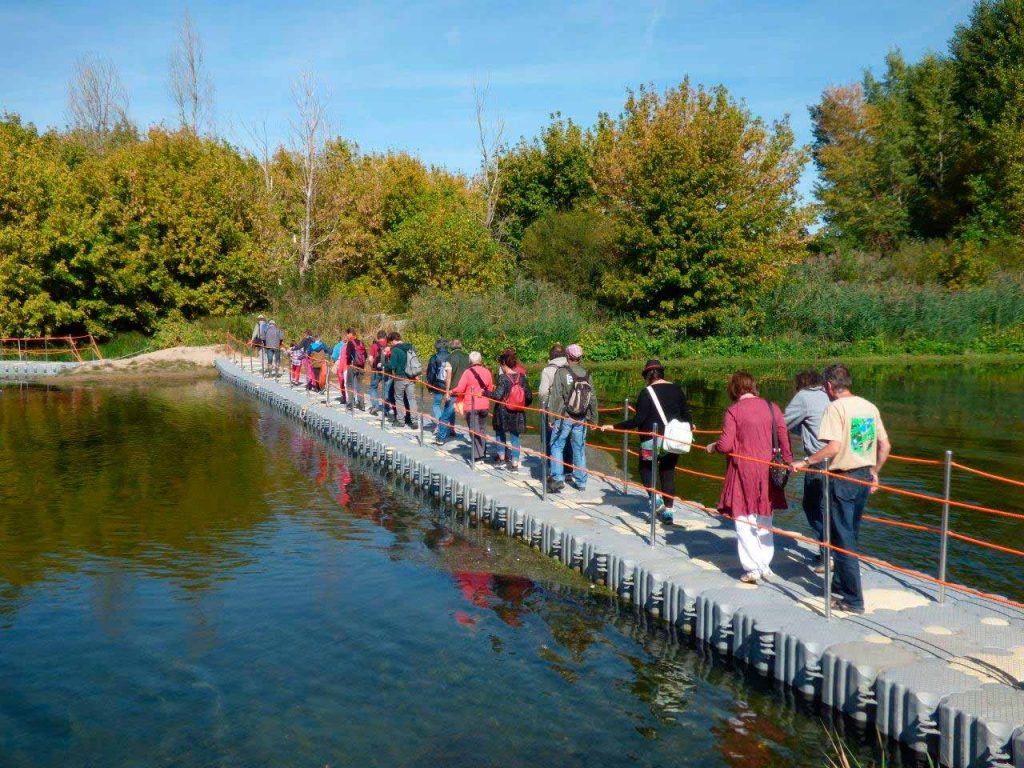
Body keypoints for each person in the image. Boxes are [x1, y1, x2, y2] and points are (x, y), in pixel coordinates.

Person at [792, 363, 890, 614]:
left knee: (842, 540)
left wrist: (805, 461)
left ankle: (853, 600)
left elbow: (833, 447)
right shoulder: (868, 406)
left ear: (828, 386)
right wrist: (875, 472)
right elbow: (884, 445)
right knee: (850, 533)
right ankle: (838, 584)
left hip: (842, 478)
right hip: (863, 477)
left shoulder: (835, 408)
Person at [705, 371, 792, 584]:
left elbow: (725, 445)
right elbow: (784, 439)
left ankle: (752, 568)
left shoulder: (733, 411)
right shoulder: (773, 408)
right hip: (769, 470)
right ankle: (765, 565)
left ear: (734, 389)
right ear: (753, 386)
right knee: (765, 518)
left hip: (742, 470)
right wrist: (789, 462)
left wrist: (713, 446)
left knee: (744, 519)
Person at [600, 359, 692, 523]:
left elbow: (638, 420)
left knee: (645, 468)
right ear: (662, 373)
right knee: (668, 473)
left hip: (651, 440)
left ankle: (655, 499)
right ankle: (669, 513)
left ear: (648, 376)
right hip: (673, 440)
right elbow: (686, 415)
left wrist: (613, 426)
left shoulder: (646, 392)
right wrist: (691, 427)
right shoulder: (677, 389)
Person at [784, 369, 831, 567]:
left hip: (818, 459)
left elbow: (782, 422)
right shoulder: (829, 395)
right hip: (841, 460)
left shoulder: (804, 396)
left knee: (812, 506)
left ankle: (828, 550)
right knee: (829, 508)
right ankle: (830, 551)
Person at [547, 344, 597, 493]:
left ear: (567, 356)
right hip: (581, 418)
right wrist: (594, 419)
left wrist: (551, 416)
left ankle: (557, 478)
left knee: (557, 445)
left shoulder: (561, 372)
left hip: (564, 416)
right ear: (580, 357)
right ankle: (581, 482)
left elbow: (556, 396)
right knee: (579, 448)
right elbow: (592, 398)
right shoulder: (586, 374)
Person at [491, 349, 533, 473]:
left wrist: (485, 393)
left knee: (500, 433)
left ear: (504, 363)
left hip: (503, 411)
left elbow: (497, 396)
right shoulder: (522, 377)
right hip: (518, 412)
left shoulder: (503, 378)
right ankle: (514, 464)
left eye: (500, 364)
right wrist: (521, 404)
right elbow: (529, 396)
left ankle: (502, 459)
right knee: (515, 436)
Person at [452, 351, 494, 464]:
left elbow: (460, 388)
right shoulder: (487, 372)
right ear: (480, 360)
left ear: (470, 361)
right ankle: (482, 453)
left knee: (474, 431)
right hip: (484, 404)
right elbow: (490, 390)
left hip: (471, 405)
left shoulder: (467, 372)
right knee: (482, 429)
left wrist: (452, 391)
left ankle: (478, 456)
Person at [539, 344, 572, 464]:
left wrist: (545, 404)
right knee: (567, 439)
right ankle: (568, 469)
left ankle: (550, 466)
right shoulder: (571, 367)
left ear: (551, 355)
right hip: (571, 409)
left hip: (553, 409)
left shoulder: (548, 370)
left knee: (550, 438)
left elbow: (543, 392)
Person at [384, 332, 420, 428]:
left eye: (390, 342)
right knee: (411, 399)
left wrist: (384, 364)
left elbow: (392, 365)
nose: (390, 344)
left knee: (398, 398)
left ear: (392, 340)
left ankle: (400, 420)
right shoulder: (410, 347)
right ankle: (414, 421)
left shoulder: (396, 350)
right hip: (411, 376)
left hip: (400, 377)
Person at [442, 339, 470, 443]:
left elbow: (448, 376)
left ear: (451, 347)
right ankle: (472, 438)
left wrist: (447, 391)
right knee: (468, 414)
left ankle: (441, 437)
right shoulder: (467, 357)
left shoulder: (450, 357)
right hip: (466, 390)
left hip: (454, 389)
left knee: (447, 412)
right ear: (461, 347)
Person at [426, 339, 452, 432]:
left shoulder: (434, 357)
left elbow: (431, 373)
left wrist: (429, 387)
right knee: (449, 406)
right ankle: (451, 428)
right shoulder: (451, 356)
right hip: (451, 385)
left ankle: (439, 423)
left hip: (438, 385)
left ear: (437, 347)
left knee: (436, 404)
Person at [345, 332, 367, 411]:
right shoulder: (361, 342)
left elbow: (348, 354)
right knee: (360, 385)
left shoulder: (350, 343)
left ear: (352, 335)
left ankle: (351, 403)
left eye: (349, 334)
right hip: (361, 366)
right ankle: (361, 405)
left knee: (350, 384)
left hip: (352, 365)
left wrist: (348, 363)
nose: (348, 336)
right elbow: (366, 355)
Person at [368, 331, 388, 415]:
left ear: (378, 337)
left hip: (376, 370)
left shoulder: (374, 345)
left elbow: (370, 359)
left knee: (373, 387)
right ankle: (386, 409)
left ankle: (375, 406)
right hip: (387, 371)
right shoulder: (388, 345)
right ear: (385, 337)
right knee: (386, 389)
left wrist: (372, 366)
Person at [331, 333, 349, 405]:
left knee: (342, 383)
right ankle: (351, 398)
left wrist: (334, 362)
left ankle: (345, 398)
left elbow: (334, 356)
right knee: (349, 384)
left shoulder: (338, 346)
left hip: (341, 366)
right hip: (350, 367)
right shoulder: (351, 345)